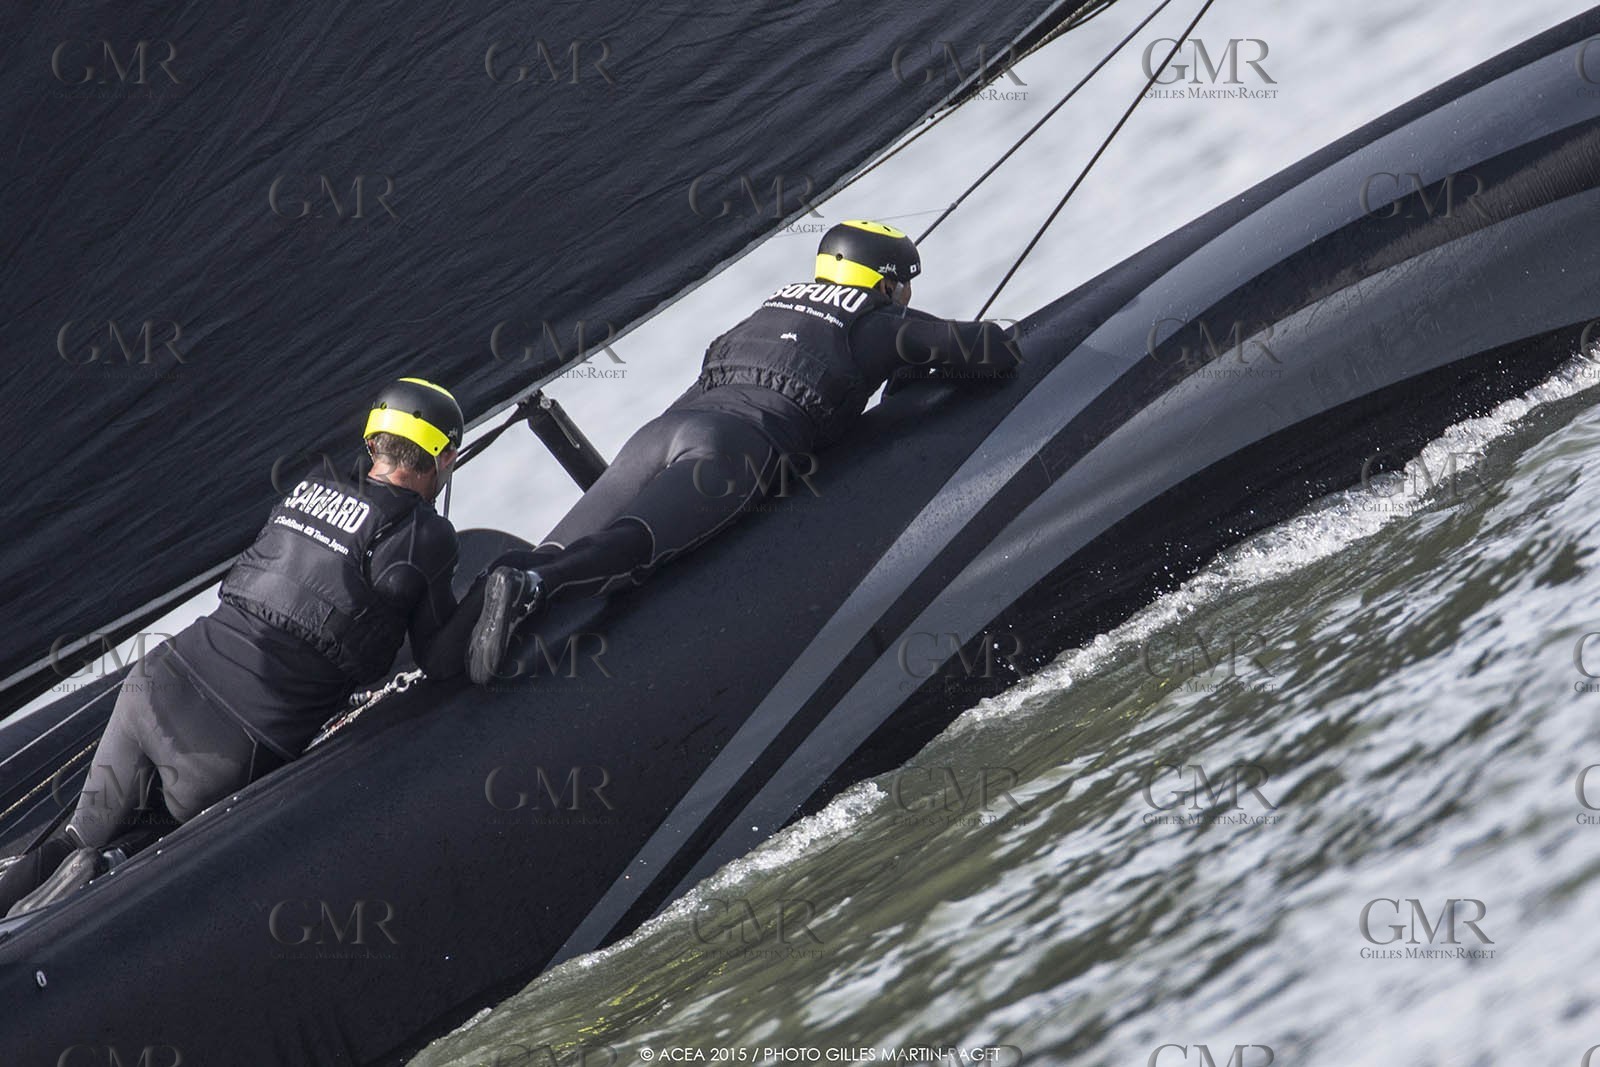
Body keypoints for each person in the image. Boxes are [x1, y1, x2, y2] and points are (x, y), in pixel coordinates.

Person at [453, 219, 1021, 683]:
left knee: (560, 542)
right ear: (888, 284)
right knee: (635, 547)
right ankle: (535, 587)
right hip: (731, 450)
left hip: (660, 432)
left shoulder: (765, 311)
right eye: (905, 287)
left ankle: (479, 608)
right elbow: (988, 349)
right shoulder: (874, 323)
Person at [0, 377, 466, 917]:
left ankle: (68, 877)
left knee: (76, 836)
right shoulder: (425, 536)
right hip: (233, 744)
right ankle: (112, 868)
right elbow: (440, 658)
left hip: (156, 684)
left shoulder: (311, 486)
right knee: (143, 848)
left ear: (372, 445)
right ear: (446, 455)